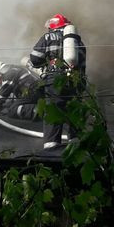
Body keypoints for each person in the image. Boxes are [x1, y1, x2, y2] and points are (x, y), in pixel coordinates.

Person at [29, 13, 87, 149]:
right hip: (75, 81)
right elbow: (83, 66)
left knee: (53, 112)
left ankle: (51, 148)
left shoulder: (48, 37)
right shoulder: (79, 42)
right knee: (74, 113)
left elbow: (35, 59)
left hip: (54, 80)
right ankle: (76, 147)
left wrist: (47, 63)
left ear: (53, 27)